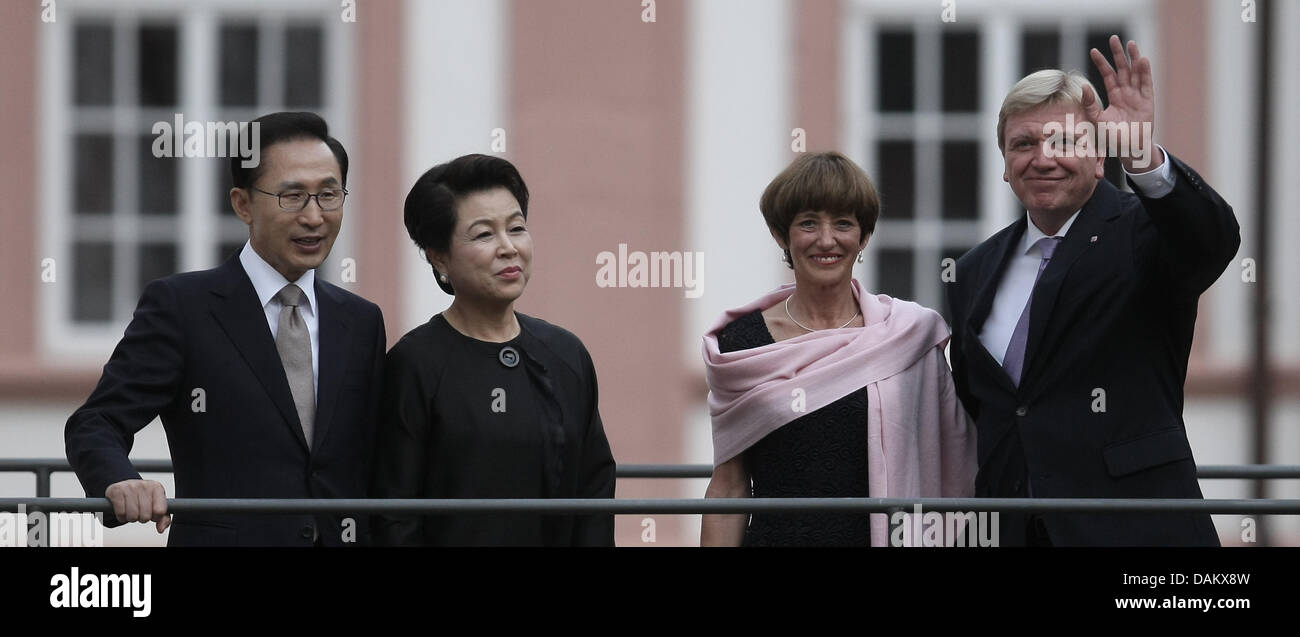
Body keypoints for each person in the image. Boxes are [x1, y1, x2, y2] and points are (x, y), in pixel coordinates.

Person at [945, 37, 1239, 546]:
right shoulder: (973, 270)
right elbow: (985, 407)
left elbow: (1211, 241)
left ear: (1100, 158)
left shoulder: (1143, 234)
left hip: (1134, 532)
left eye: (1063, 141)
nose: (1043, 159)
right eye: (1023, 144)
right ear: (1004, 163)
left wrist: (1144, 158)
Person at [65, 112, 387, 546]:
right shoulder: (182, 307)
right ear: (242, 204)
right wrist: (120, 480)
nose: (315, 217)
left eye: (329, 195)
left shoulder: (361, 322)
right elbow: (96, 421)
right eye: (292, 197)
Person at [700, 152, 977, 547]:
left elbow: (952, 461)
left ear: (863, 237)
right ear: (783, 235)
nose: (826, 240)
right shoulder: (742, 345)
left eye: (843, 224)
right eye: (808, 223)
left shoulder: (908, 335)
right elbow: (728, 488)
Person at [372, 154, 616, 546]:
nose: (508, 248)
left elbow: (595, 492)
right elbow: (393, 512)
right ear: (439, 256)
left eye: (516, 228)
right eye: (484, 234)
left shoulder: (566, 355)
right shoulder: (415, 364)